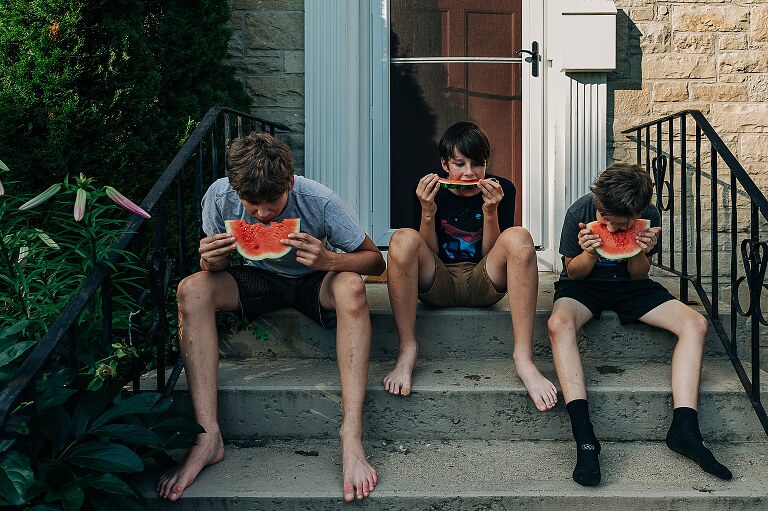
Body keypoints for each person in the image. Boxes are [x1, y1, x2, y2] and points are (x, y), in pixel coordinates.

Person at [156, 132, 386, 503]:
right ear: (235, 189)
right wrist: (209, 261)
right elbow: (211, 264)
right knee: (191, 288)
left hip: (314, 280)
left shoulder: (320, 201)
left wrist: (330, 261)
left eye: (273, 202)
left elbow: (375, 261)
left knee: (353, 287)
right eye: (251, 203)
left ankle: (351, 436)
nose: (262, 214)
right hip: (257, 279)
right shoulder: (219, 197)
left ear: (290, 183)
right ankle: (207, 435)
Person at [547, 162, 732, 486]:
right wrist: (590, 252)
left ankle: (685, 428)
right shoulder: (579, 211)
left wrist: (641, 251)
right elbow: (573, 273)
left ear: (637, 213)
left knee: (696, 324)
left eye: (623, 226)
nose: (615, 231)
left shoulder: (649, 215)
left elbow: (639, 274)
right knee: (558, 324)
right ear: (598, 203)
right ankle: (585, 437)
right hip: (584, 285)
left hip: (630, 285)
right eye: (608, 222)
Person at [382, 121, 558, 412]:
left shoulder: (502, 190)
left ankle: (524, 359)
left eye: (477, 164)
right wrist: (428, 212)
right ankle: (407, 351)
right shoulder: (429, 190)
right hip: (437, 283)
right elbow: (430, 253)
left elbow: (491, 255)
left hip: (483, 281)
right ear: (444, 163)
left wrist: (490, 211)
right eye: (459, 164)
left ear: (486, 162)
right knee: (402, 239)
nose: (468, 173)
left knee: (520, 237)